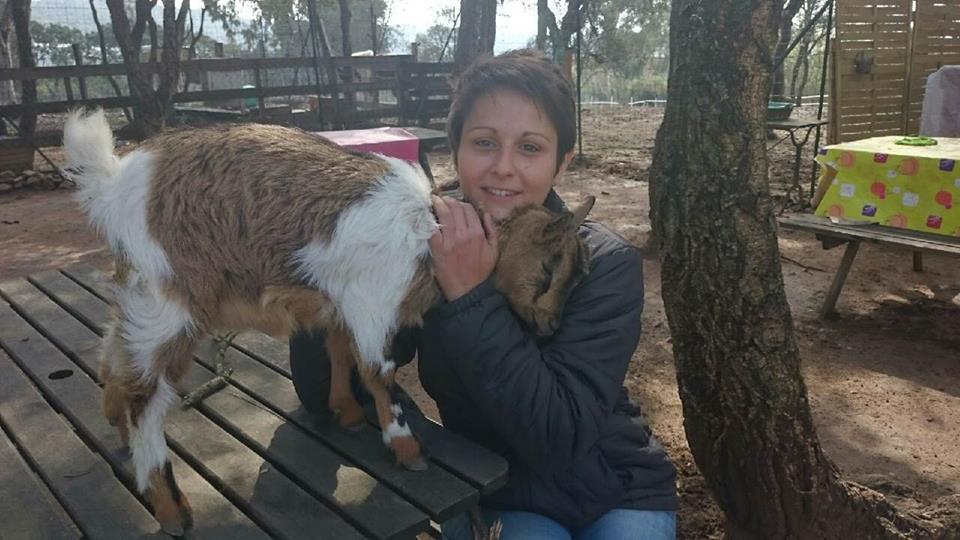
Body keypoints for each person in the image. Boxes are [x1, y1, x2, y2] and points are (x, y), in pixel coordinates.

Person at [290, 49, 678, 540]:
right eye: (484, 142)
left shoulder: (602, 261)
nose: (503, 168)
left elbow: (558, 438)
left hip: (616, 487)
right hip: (495, 489)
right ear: (455, 150)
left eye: (531, 148)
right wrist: (327, 265)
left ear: (563, 163)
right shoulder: (422, 245)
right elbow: (325, 392)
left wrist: (470, 295)